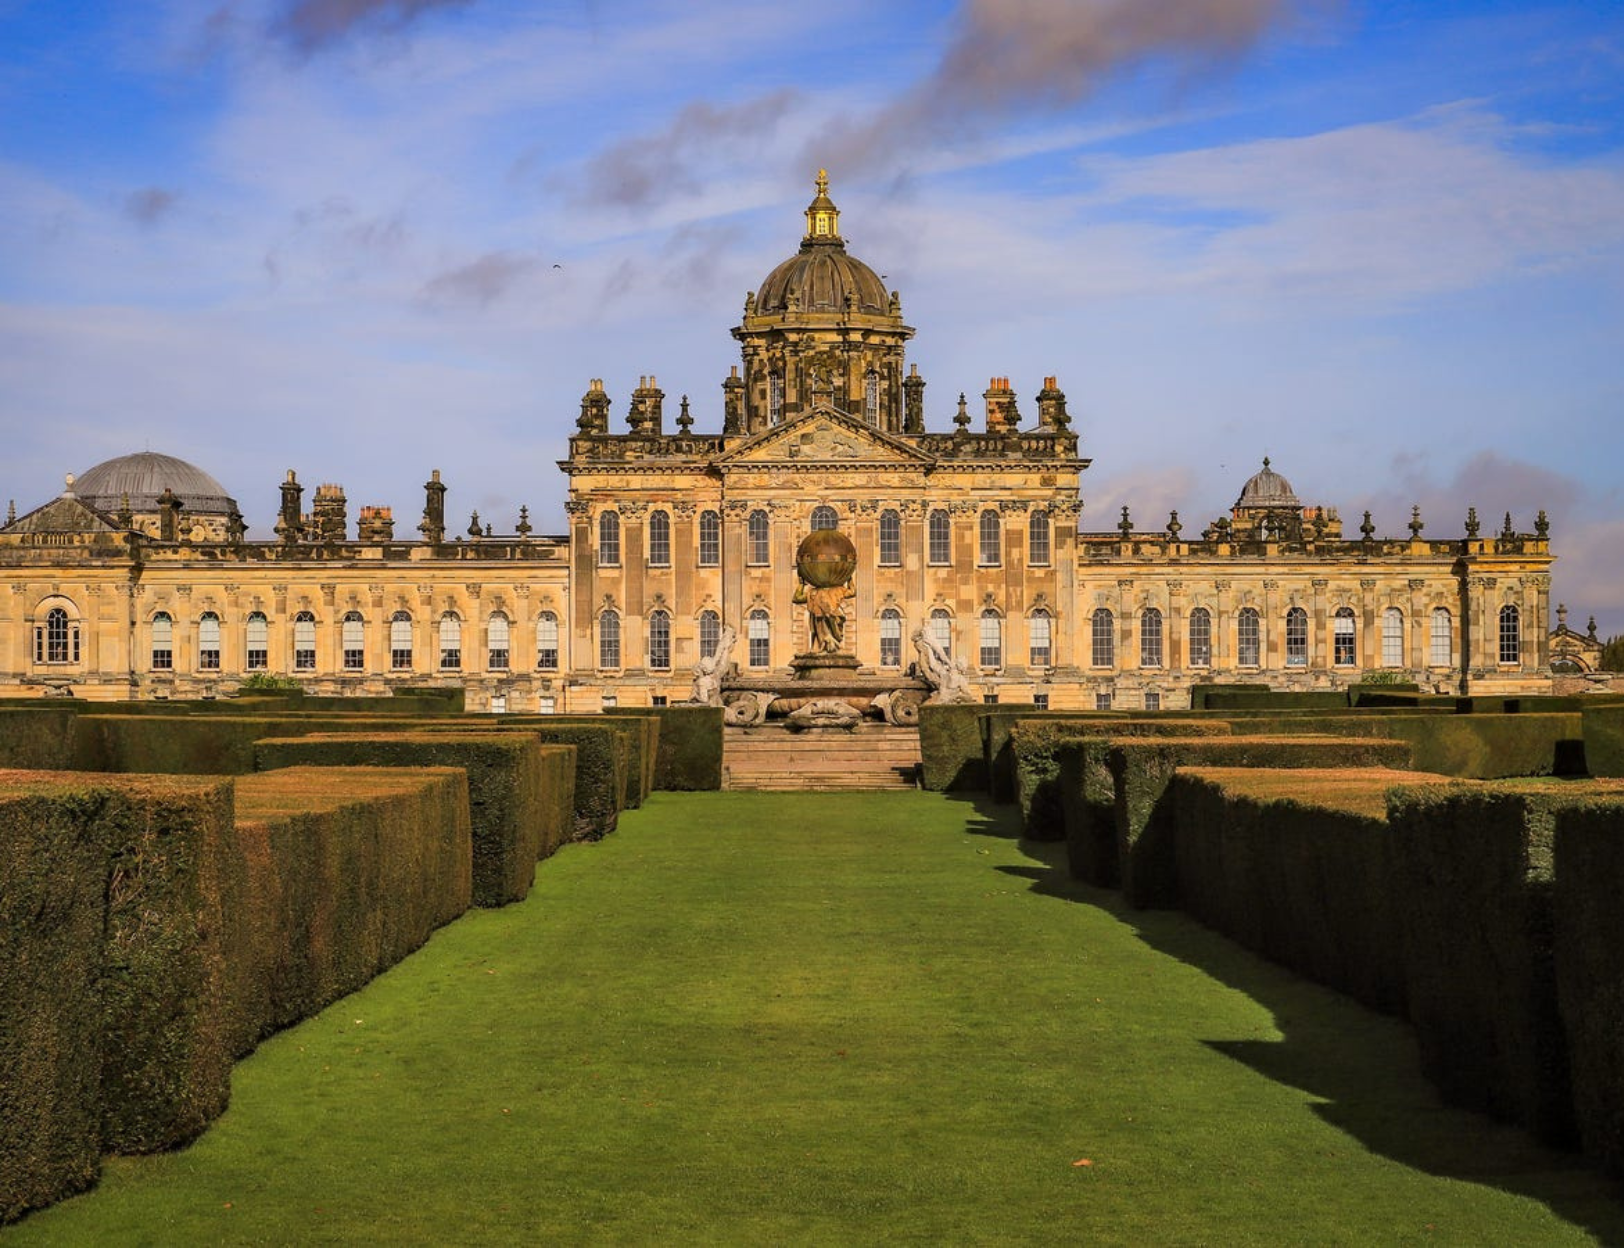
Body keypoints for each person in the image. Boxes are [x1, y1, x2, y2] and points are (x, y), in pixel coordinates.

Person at [794, 577, 855, 653]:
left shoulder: (815, 592)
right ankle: (825, 644)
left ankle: (829, 644)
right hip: (821, 623)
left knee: (830, 638)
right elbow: (852, 592)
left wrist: (801, 584)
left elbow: (797, 598)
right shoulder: (835, 590)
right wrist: (849, 579)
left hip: (831, 621)